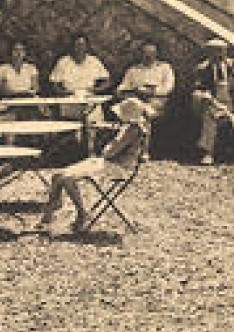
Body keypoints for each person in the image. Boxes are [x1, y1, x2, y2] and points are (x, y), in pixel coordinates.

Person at [36, 97, 151, 234]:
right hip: (110, 163)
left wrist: (109, 142)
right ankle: (50, 212)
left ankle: (81, 213)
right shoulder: (138, 127)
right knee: (57, 175)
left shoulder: (131, 130)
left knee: (66, 178)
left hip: (117, 168)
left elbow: (108, 152)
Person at [190, 38, 234, 164]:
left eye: (222, 52)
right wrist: (209, 98)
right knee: (211, 114)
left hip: (232, 103)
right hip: (212, 102)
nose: (219, 55)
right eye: (215, 52)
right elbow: (199, 88)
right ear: (209, 53)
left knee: (215, 115)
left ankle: (210, 151)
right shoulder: (202, 69)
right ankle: (208, 153)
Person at [115, 40, 176, 120]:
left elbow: (168, 88)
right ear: (141, 54)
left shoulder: (164, 67)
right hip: (135, 99)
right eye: (145, 53)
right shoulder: (133, 70)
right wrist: (122, 91)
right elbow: (123, 86)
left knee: (142, 110)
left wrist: (151, 92)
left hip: (156, 100)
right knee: (127, 108)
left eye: (152, 53)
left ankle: (141, 128)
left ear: (156, 54)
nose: (148, 56)